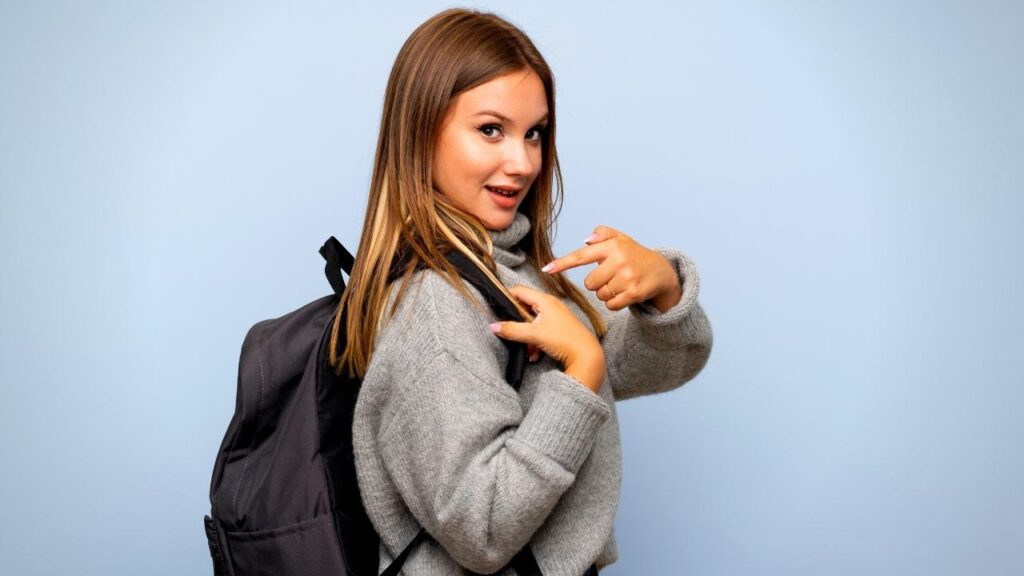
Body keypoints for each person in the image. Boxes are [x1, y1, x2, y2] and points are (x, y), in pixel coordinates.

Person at [327, 7, 713, 575]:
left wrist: (663, 292)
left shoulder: (501, 267)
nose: (524, 161)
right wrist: (581, 367)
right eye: (491, 130)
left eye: (534, 133)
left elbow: (660, 365)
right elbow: (481, 527)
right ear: (420, 132)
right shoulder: (436, 304)